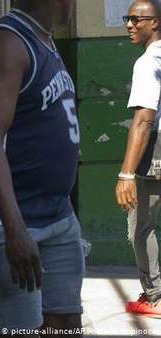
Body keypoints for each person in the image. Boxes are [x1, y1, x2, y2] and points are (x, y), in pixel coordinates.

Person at [0, 0, 84, 335]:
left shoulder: (43, 39)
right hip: (4, 220)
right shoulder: (6, 43)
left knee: (65, 324)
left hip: (55, 213)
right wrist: (14, 229)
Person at [116, 0, 161, 317]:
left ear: (155, 22)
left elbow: (144, 119)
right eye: (126, 18)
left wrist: (126, 174)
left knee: (140, 226)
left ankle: (156, 295)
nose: (129, 24)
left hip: (156, 150)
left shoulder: (147, 62)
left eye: (136, 19)